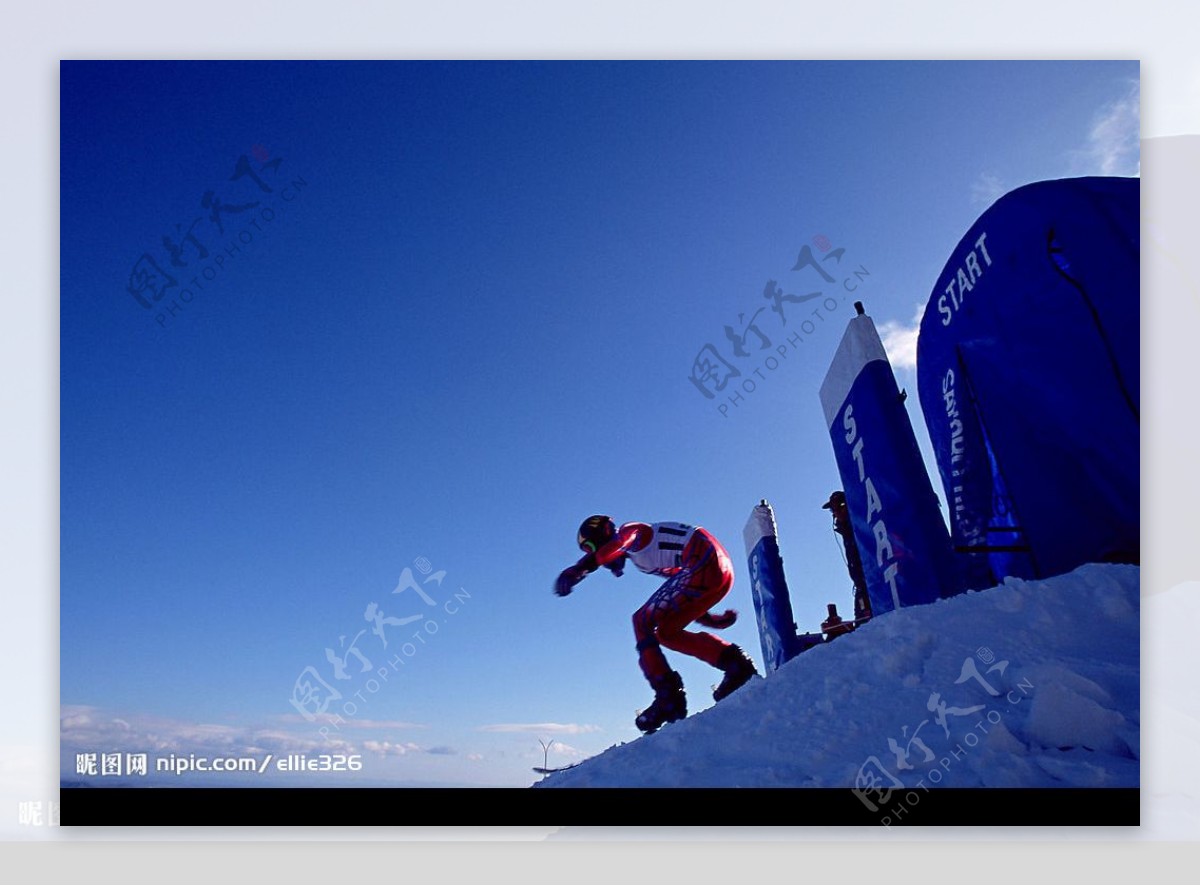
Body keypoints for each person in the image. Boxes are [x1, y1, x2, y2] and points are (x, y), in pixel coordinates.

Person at [554, 515, 759, 734]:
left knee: (641, 620)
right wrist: (708, 617)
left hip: (704, 559)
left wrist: (580, 568)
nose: (593, 554)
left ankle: (667, 695)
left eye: (591, 548)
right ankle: (734, 664)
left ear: (604, 533)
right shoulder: (641, 559)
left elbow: (620, 543)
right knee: (667, 632)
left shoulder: (633, 532)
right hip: (714, 570)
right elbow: (680, 586)